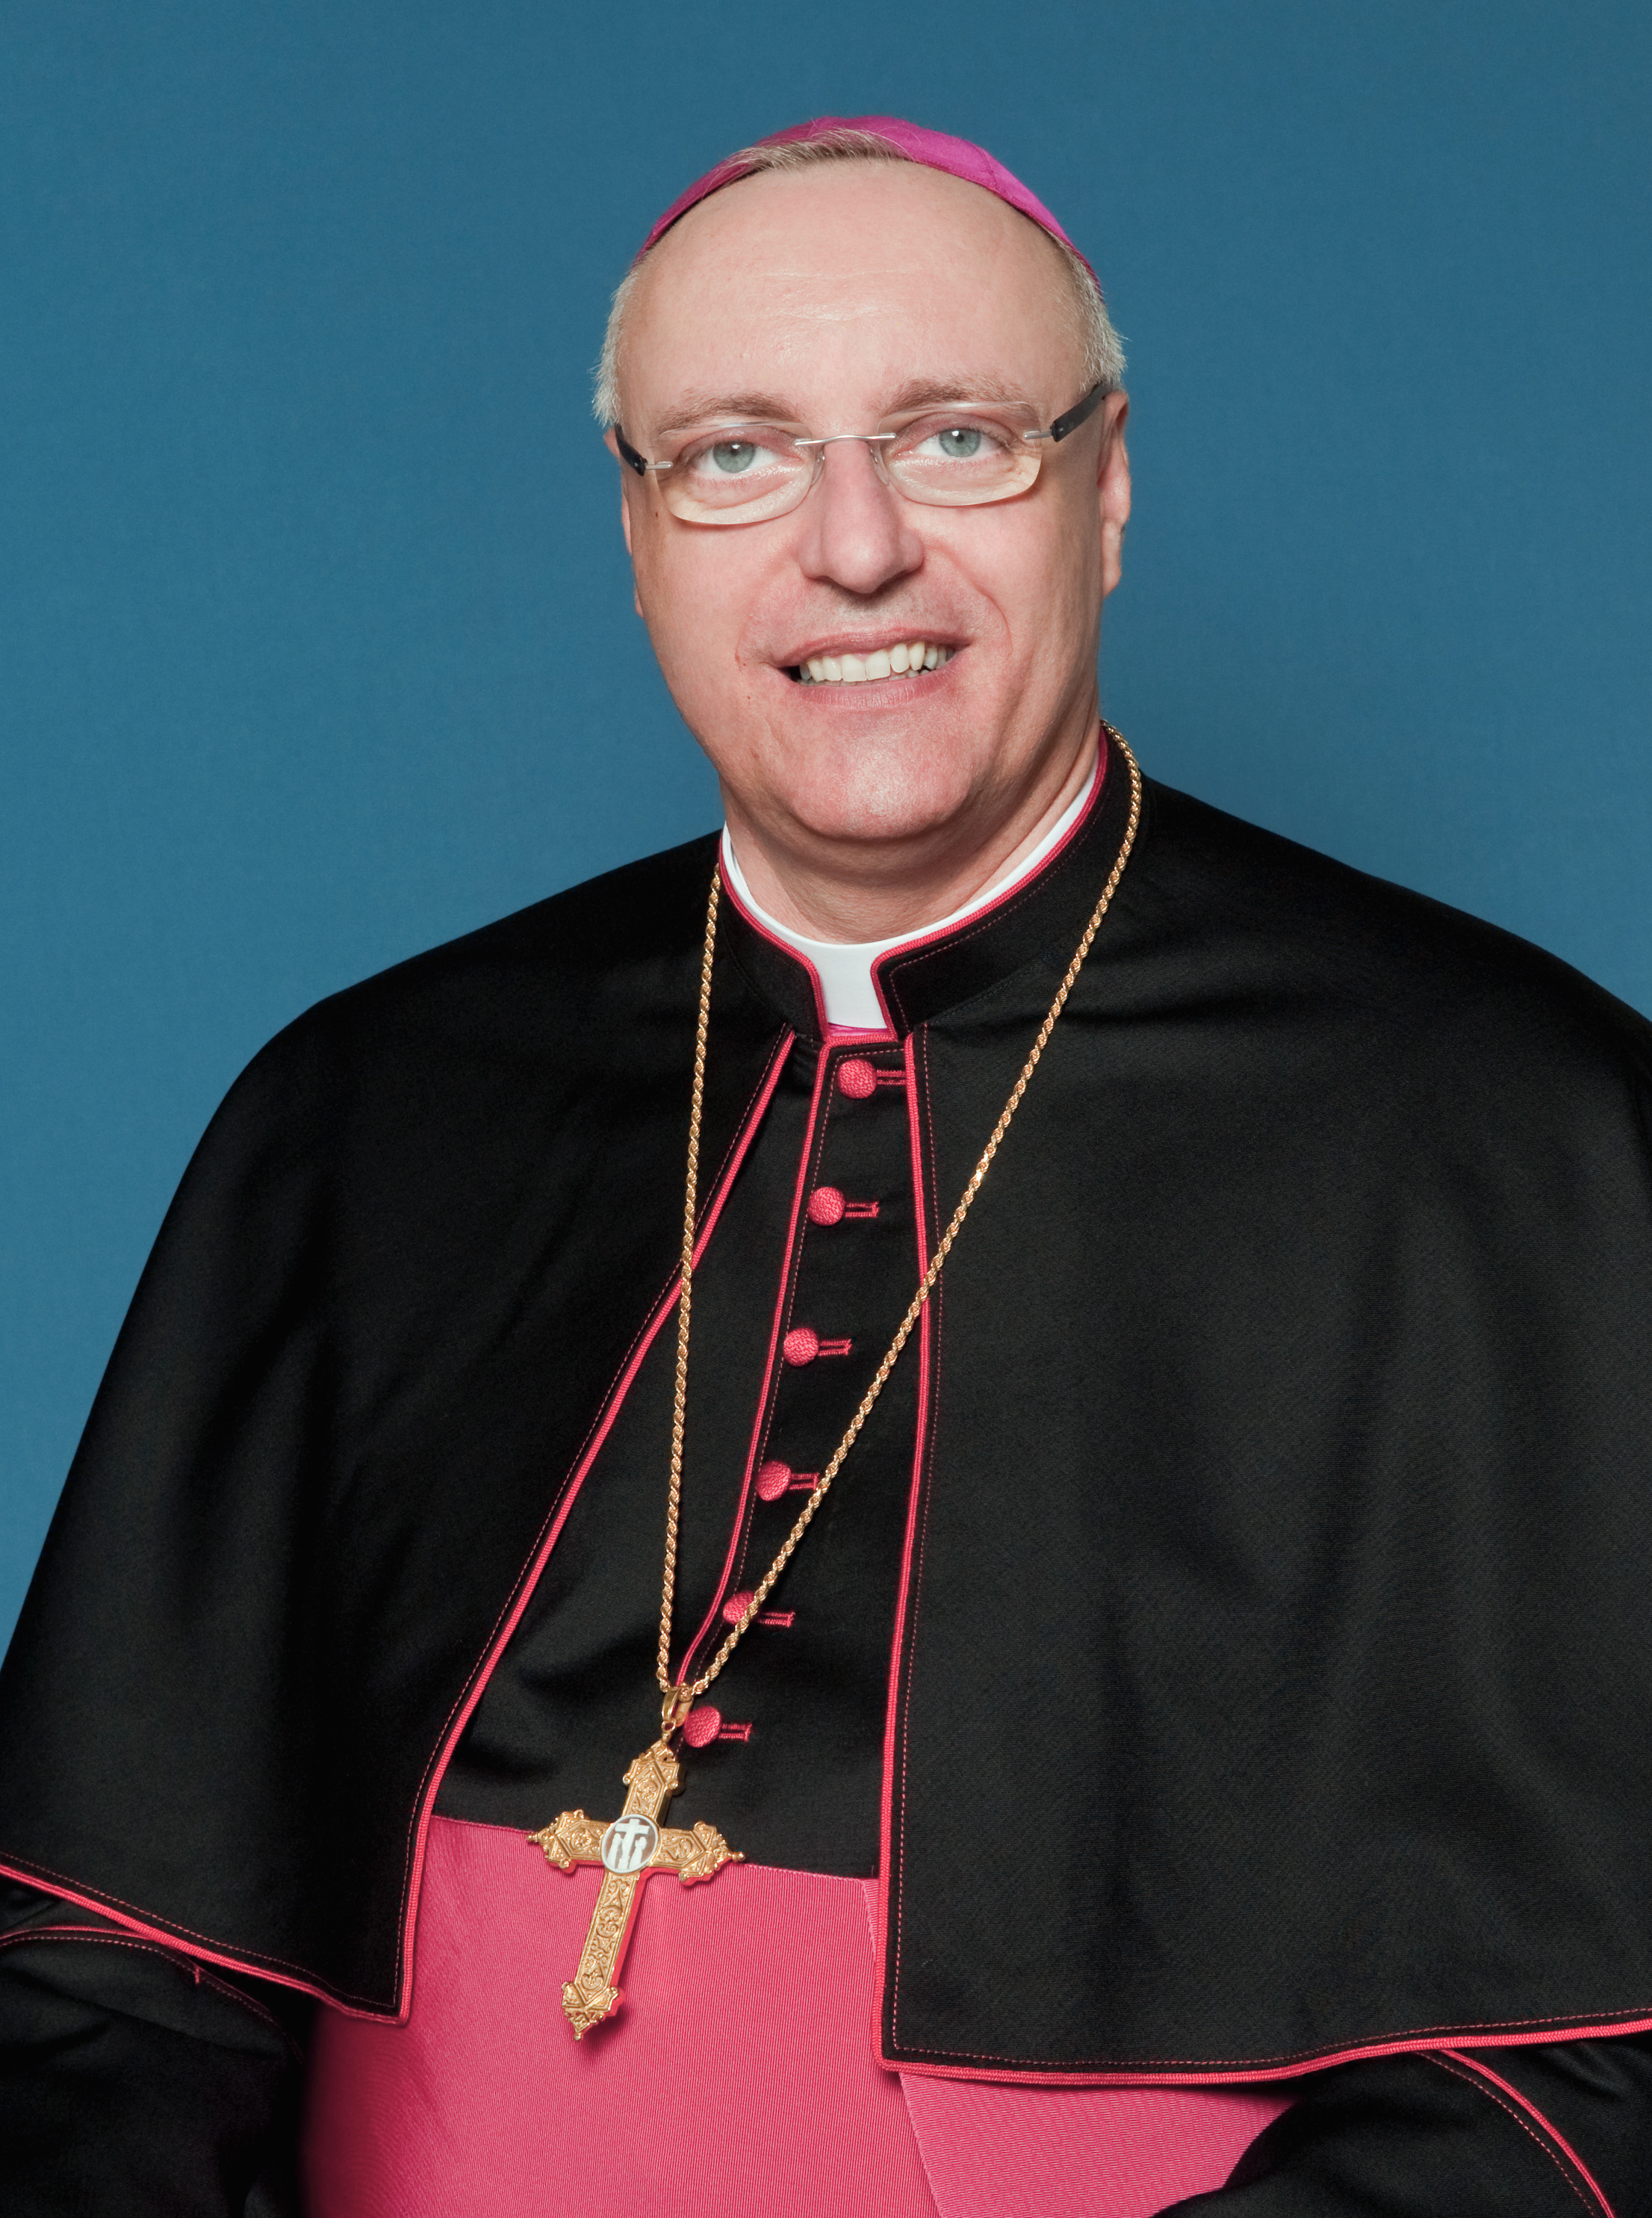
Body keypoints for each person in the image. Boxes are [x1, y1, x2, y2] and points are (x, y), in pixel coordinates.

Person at [2, 114, 1651, 2218]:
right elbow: (105, 1972)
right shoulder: (368, 1106)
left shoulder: (1501, 1128)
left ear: (1106, 488)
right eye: (735, 454)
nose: (853, 548)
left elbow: (1577, 2074)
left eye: (956, 438)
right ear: (637, 531)